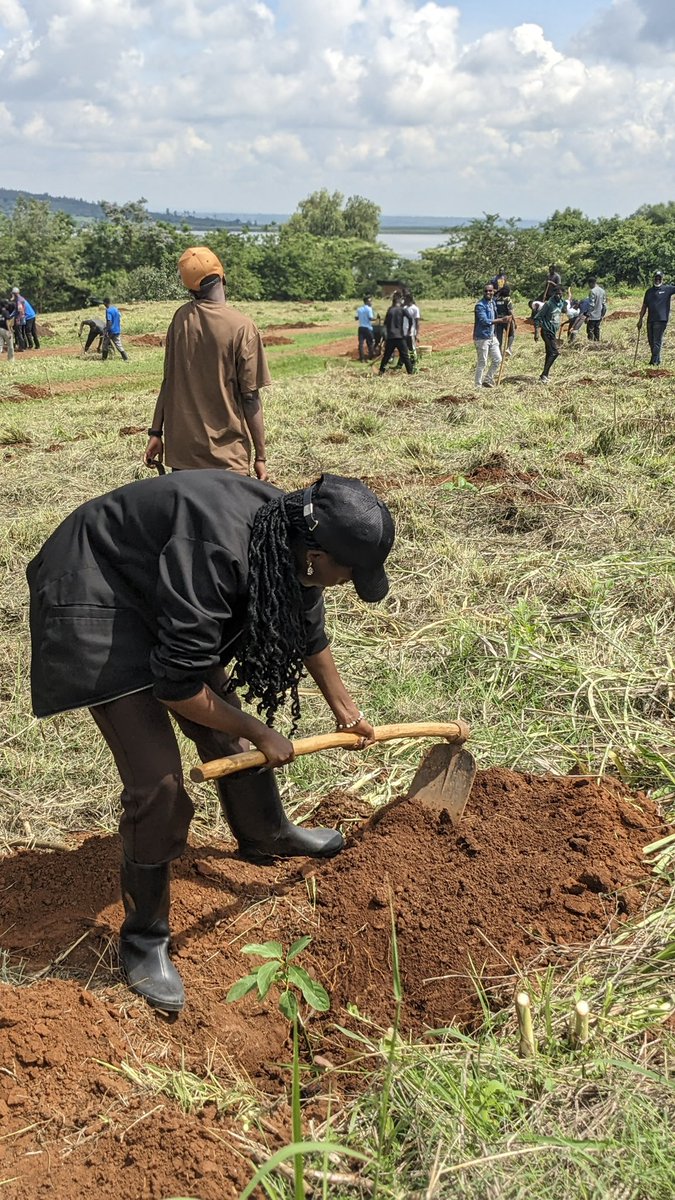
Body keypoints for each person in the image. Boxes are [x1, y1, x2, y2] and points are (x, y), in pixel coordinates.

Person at [27, 470, 395, 1012]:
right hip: (96, 585)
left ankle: (266, 833)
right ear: (315, 554)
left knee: (222, 730)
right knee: (159, 784)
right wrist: (258, 730)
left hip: (158, 578)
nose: (348, 583)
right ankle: (144, 938)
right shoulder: (220, 550)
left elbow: (306, 621)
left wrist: (344, 708)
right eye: (349, 572)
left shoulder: (286, 535)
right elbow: (178, 687)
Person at [145, 247, 271, 477]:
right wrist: (260, 457)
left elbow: (168, 381)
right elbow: (250, 397)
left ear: (190, 289)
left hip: (183, 456)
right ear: (223, 276)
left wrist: (156, 432)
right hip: (228, 459)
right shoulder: (243, 327)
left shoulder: (180, 319)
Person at [473, 283, 509, 388]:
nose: (489, 293)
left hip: (491, 336)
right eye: (486, 291)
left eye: (490, 291)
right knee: (482, 362)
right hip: (482, 337)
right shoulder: (480, 305)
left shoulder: (492, 303)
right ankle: (477, 386)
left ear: (493, 291)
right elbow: (485, 321)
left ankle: (488, 379)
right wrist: (501, 320)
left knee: (498, 359)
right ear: (483, 292)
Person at [637, 270, 675, 366]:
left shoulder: (667, 289)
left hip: (661, 319)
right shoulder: (649, 292)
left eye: (659, 278)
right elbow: (644, 306)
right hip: (650, 319)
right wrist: (640, 319)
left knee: (657, 341)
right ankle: (656, 360)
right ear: (654, 278)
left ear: (662, 278)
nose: (657, 279)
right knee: (651, 341)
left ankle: (654, 362)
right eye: (656, 278)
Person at [532, 285, 566, 383]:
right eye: (557, 293)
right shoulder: (548, 304)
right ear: (553, 294)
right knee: (555, 352)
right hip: (546, 331)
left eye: (560, 293)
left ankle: (545, 375)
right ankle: (543, 374)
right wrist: (536, 332)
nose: (558, 295)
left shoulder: (561, 303)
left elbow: (564, 310)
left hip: (553, 332)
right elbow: (537, 317)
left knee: (549, 353)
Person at [378, 291, 414, 375]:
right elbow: (410, 319)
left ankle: (381, 372)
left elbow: (385, 324)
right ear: (400, 300)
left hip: (390, 337)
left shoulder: (390, 310)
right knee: (405, 356)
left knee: (386, 356)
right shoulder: (402, 310)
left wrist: (383, 337)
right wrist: (409, 331)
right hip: (400, 337)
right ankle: (410, 373)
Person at [495, 286, 516, 358]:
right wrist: (514, 321)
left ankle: (499, 353)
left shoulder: (496, 299)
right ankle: (509, 348)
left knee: (499, 337)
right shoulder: (508, 299)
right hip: (507, 320)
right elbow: (510, 311)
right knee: (511, 334)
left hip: (498, 320)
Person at [355, 295, 377, 362]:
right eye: (370, 301)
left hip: (361, 328)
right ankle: (370, 357)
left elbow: (356, 318)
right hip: (368, 328)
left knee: (361, 344)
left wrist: (361, 317)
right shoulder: (369, 309)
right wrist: (376, 318)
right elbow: (370, 318)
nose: (371, 302)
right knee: (370, 343)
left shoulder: (359, 309)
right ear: (367, 302)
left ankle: (362, 358)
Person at [586, 277, 607, 341]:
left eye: (589, 284)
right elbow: (604, 304)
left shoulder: (592, 291)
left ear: (592, 283)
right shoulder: (602, 291)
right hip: (599, 314)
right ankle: (597, 342)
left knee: (590, 330)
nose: (589, 286)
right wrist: (602, 314)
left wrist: (588, 314)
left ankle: (591, 343)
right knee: (597, 329)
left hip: (592, 315)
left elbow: (591, 305)